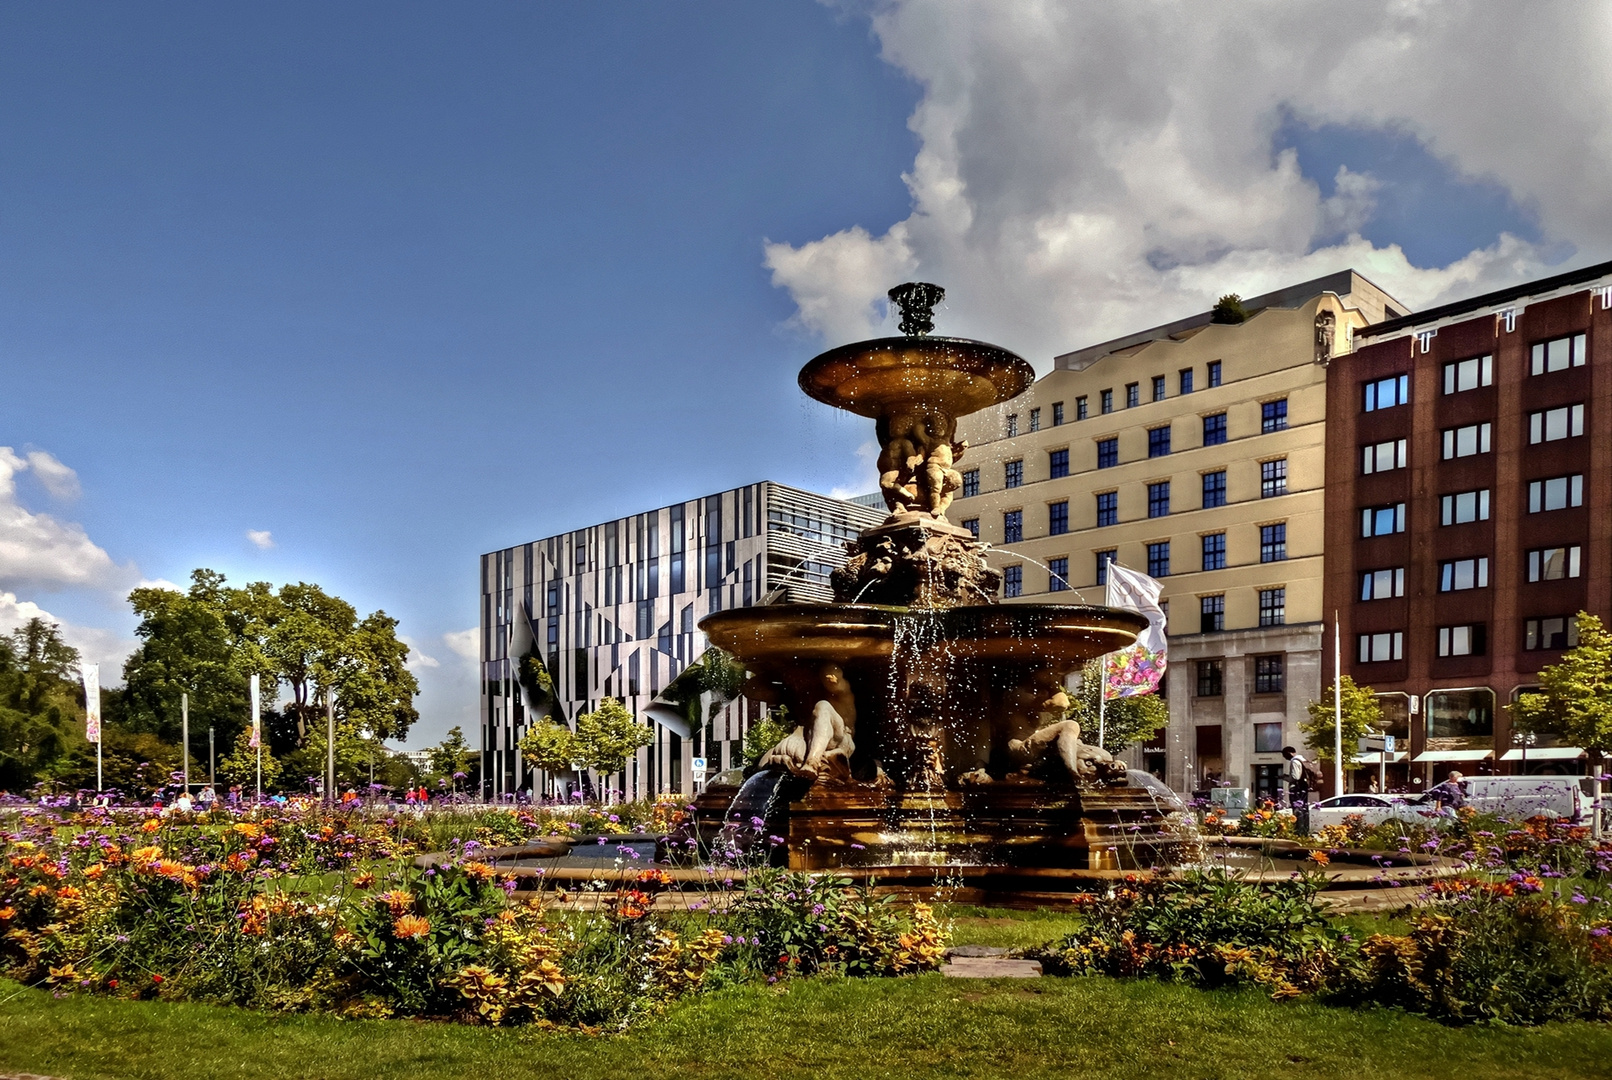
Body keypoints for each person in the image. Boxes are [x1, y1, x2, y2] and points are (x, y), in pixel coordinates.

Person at [1281, 746, 1312, 834]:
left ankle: (1299, 831)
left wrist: (1285, 777)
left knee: (1297, 809)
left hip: (1297, 788)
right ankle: (1305, 830)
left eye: (1285, 755)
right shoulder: (1303, 760)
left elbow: (1295, 777)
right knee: (1304, 809)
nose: (1285, 758)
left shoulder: (1294, 761)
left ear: (1289, 753)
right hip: (1304, 787)